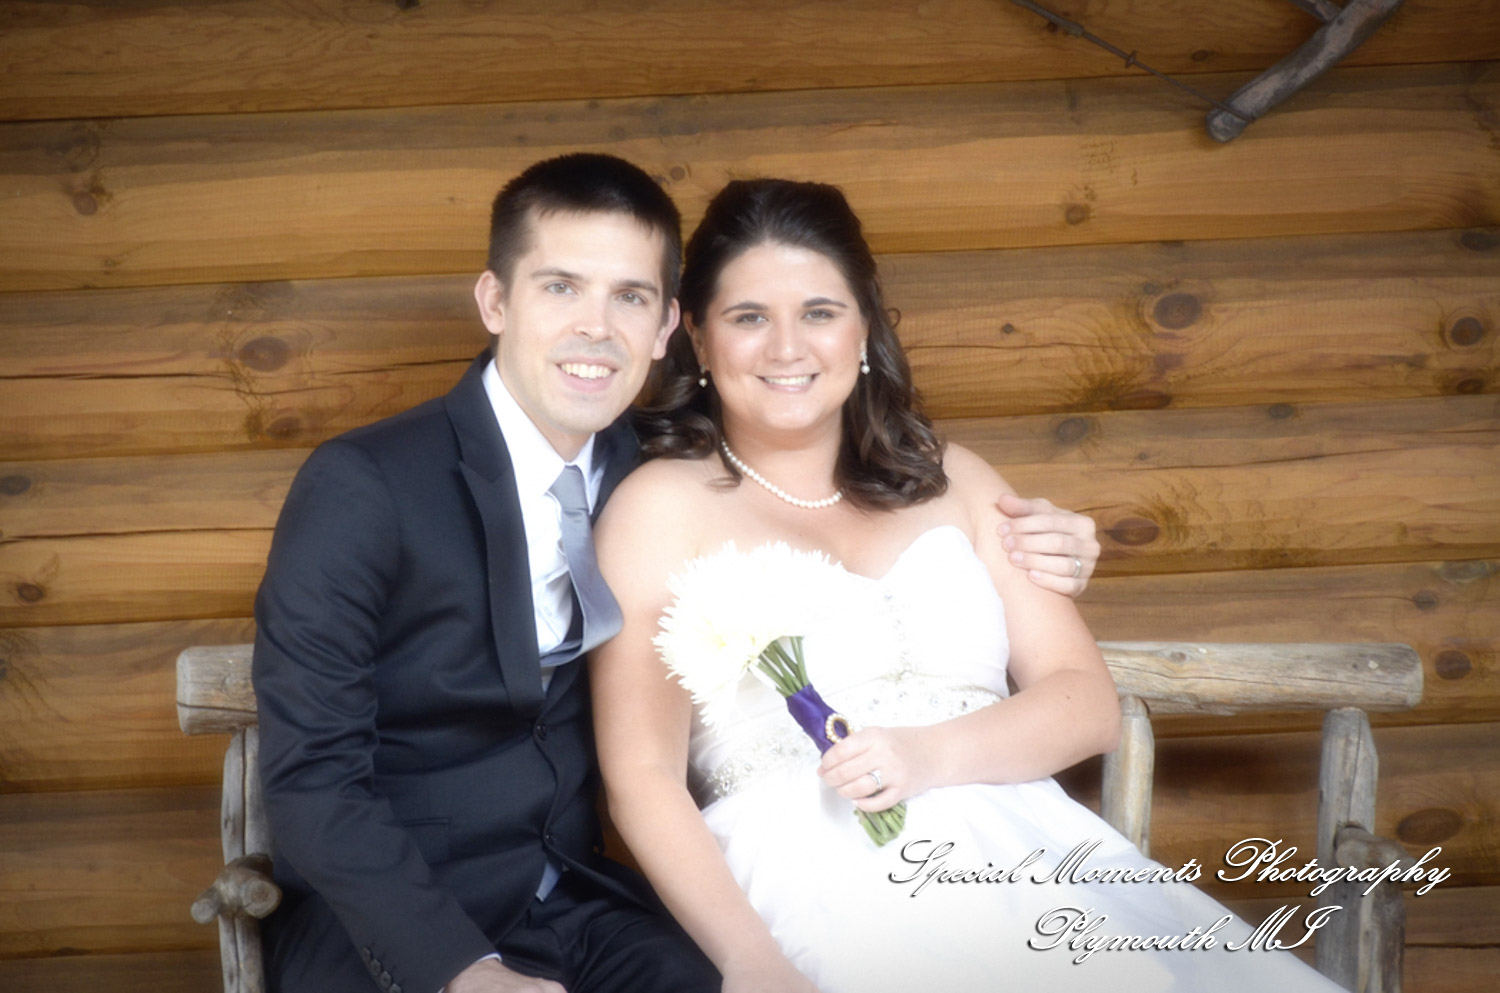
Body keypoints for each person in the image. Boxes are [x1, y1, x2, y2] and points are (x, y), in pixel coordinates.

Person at [252, 154, 1101, 993]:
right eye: (560, 287)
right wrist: (461, 972)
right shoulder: (366, 484)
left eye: (628, 296)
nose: (596, 327)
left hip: (576, 902)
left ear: (664, 327)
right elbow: (313, 778)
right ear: (494, 300)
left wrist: (1062, 541)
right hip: (393, 926)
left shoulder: (637, 465)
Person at [589, 178, 1348, 992]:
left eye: (819, 311)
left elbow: (1085, 704)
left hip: (1030, 856)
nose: (786, 348)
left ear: (866, 327)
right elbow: (644, 773)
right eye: (748, 318)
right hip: (813, 879)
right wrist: (748, 959)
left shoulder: (957, 484)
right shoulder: (657, 509)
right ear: (698, 338)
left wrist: (925, 756)